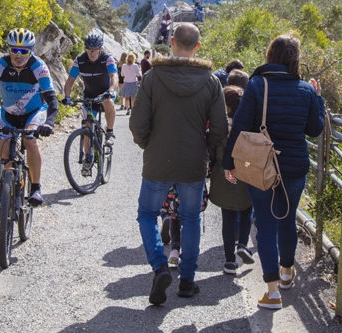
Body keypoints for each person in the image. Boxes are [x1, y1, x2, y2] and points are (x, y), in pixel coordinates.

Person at [222, 34, 325, 311]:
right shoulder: (305, 90)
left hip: (262, 165)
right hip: (295, 166)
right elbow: (315, 129)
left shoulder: (257, 84)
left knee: (265, 223)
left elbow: (241, 125)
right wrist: (319, 99)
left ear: (270, 56)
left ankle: (272, 292)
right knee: (287, 219)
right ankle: (287, 272)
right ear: (295, 59)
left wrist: (228, 162)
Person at [130, 22, 227, 305]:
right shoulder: (211, 82)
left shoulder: (152, 77)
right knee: (191, 218)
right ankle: (187, 281)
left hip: (157, 161)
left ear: (171, 42)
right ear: (197, 47)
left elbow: (138, 124)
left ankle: (160, 266)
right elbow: (220, 128)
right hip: (194, 162)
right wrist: (206, 150)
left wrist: (148, 145)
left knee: (147, 214)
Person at [0, 28, 57, 207]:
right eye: (14, 50)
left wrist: (49, 123)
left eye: (24, 51)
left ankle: (35, 188)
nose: (18, 55)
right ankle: (5, 189)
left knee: (29, 139)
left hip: (33, 112)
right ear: (9, 49)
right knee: (4, 153)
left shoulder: (39, 66)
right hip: (9, 114)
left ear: (31, 51)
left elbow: (50, 98)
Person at [209, 84, 254, 274]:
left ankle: (229, 261)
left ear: (225, 106)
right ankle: (243, 243)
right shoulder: (248, 127)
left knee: (227, 217)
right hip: (247, 173)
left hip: (223, 175)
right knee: (247, 210)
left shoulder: (220, 128)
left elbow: (211, 149)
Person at [63, 33, 118, 141]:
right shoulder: (79, 60)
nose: (92, 53)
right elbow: (70, 80)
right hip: (89, 94)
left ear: (100, 49)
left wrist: (111, 90)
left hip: (106, 92)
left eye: (94, 49)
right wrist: (67, 97)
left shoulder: (108, 59)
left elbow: (114, 77)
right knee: (87, 129)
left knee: (108, 101)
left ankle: (110, 132)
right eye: (89, 49)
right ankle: (88, 157)